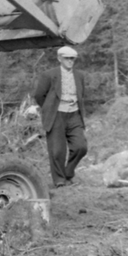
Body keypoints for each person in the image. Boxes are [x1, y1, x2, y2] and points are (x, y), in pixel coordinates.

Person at [27, 46, 89, 188]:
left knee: (81, 146)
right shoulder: (49, 75)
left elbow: (81, 95)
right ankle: (60, 180)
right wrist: (49, 108)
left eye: (72, 58)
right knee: (57, 150)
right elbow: (39, 95)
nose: (70, 61)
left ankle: (68, 172)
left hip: (74, 115)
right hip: (56, 115)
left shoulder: (79, 75)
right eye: (67, 58)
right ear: (59, 59)